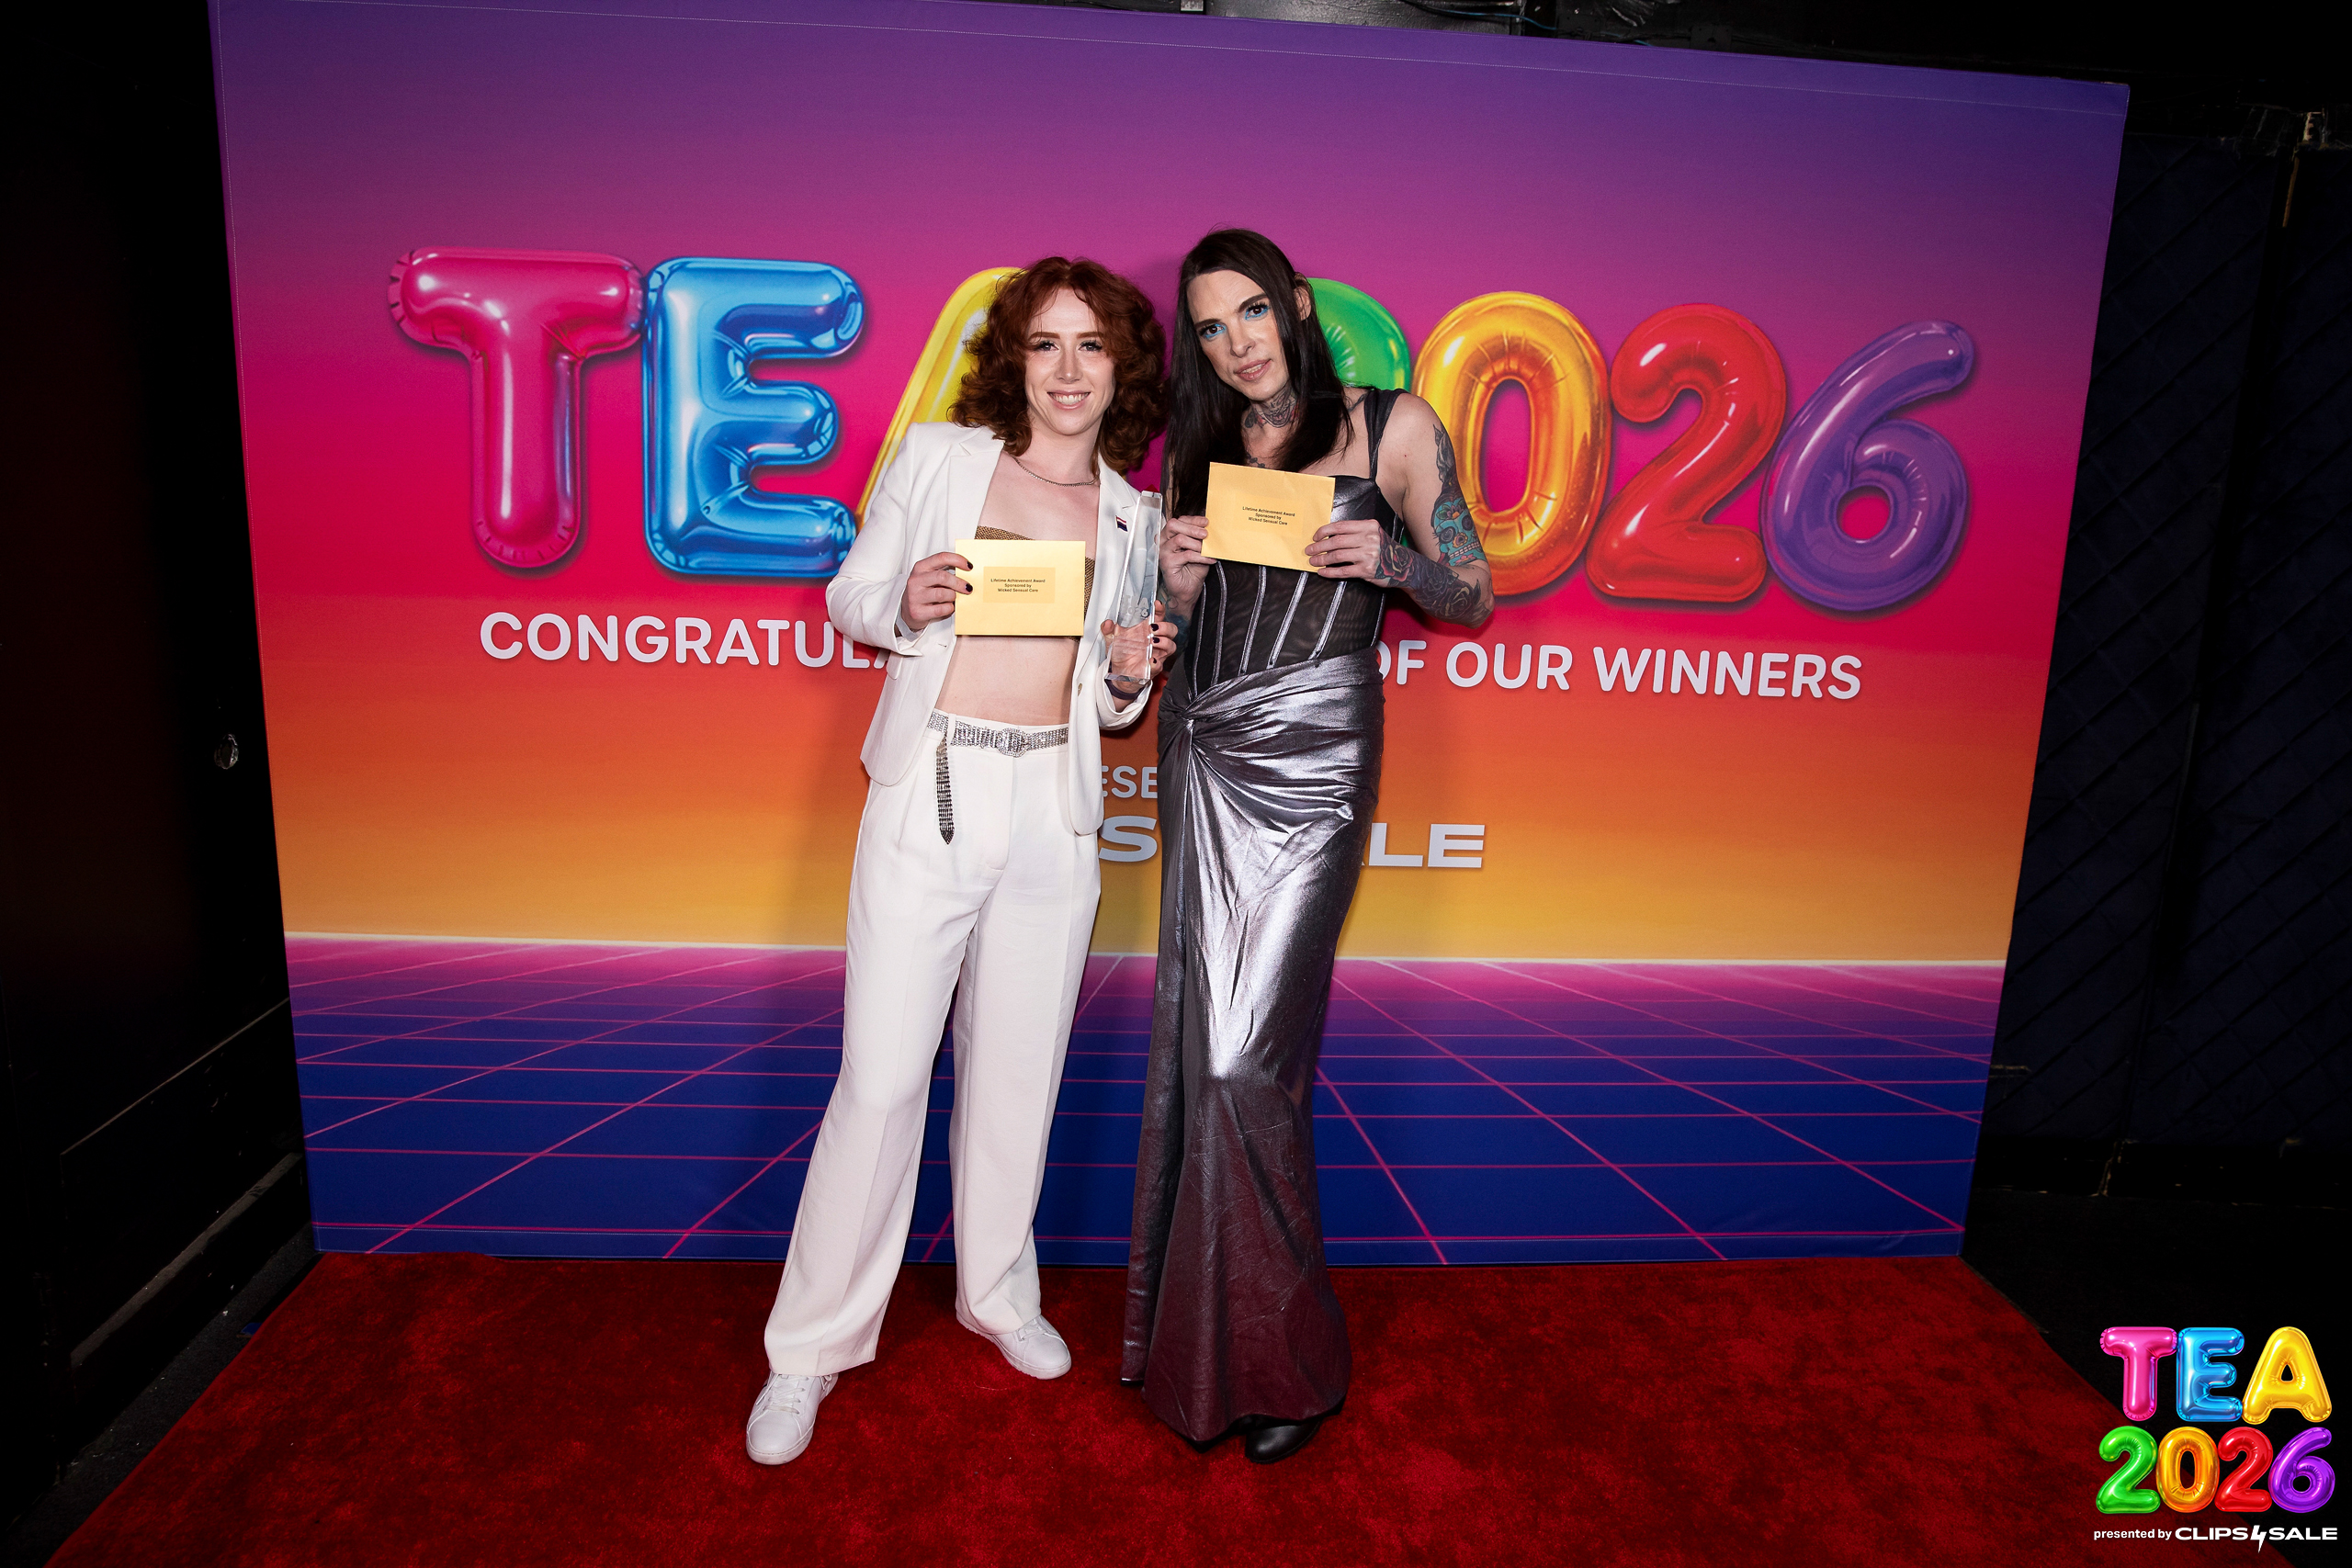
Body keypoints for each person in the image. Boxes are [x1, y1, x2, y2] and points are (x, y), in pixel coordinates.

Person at [747, 257, 1174, 1466]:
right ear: (1015, 361)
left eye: (1092, 346)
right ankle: (808, 1349)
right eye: (1046, 344)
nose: (1069, 370)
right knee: (882, 1081)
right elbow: (852, 598)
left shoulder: (1134, 516)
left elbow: (1114, 703)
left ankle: (996, 1294)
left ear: (1121, 369)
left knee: (1018, 1077)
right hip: (929, 789)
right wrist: (910, 601)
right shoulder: (939, 459)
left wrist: (1133, 671)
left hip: (1054, 809)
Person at [1122, 230, 1492, 1464]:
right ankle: (1211, 1353)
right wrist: (1176, 590)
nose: (1236, 343)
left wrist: (1393, 560)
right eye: (1210, 326)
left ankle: (1293, 1364)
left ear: (1293, 303)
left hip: (1317, 758)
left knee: (1248, 1064)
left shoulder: (1394, 426)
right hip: (1206, 743)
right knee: (1206, 1054)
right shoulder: (1203, 450)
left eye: (1250, 312)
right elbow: (1185, 625)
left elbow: (1474, 592)